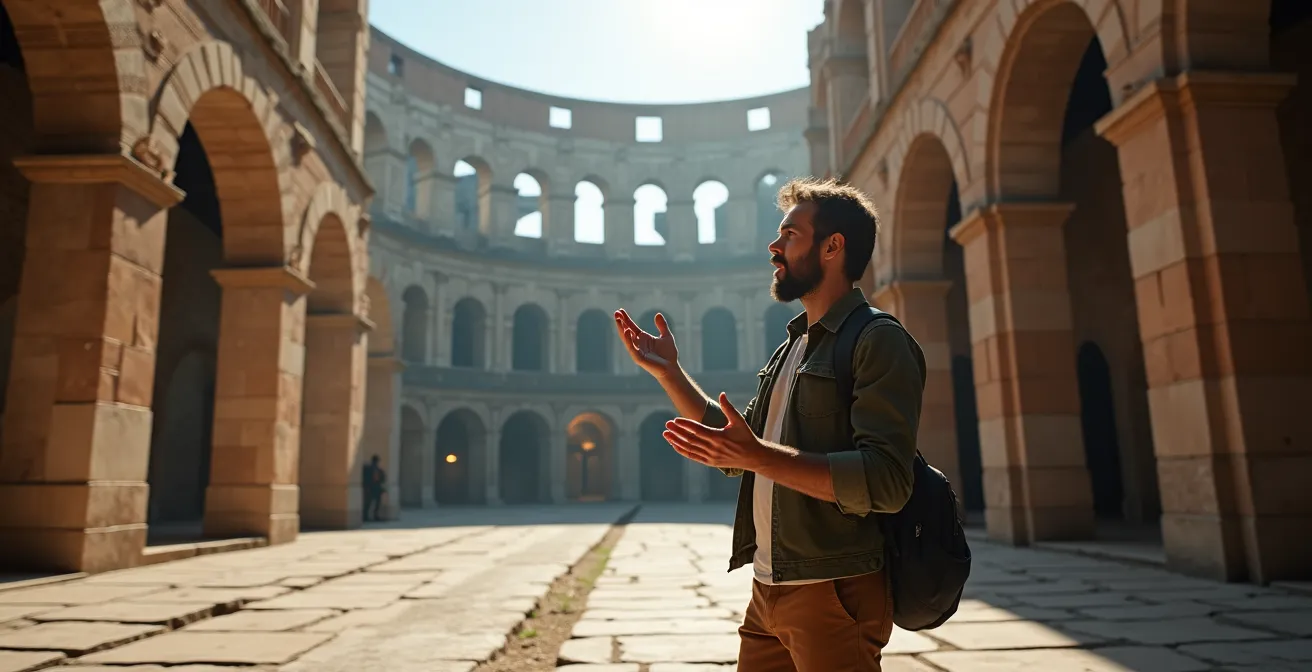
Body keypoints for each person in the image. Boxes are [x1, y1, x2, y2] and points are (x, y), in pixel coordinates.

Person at [613, 177, 924, 671]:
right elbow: (743, 442)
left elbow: (885, 481)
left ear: (832, 247)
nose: (773, 246)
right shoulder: (793, 347)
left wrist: (754, 455)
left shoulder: (876, 340)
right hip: (770, 586)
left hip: (834, 587)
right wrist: (669, 372)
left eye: (790, 235)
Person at [362, 454, 386, 522]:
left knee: (370, 502)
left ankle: (368, 516)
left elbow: (382, 478)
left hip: (372, 487)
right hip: (373, 487)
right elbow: (382, 479)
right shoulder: (374, 469)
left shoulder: (369, 468)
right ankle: (370, 516)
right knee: (372, 503)